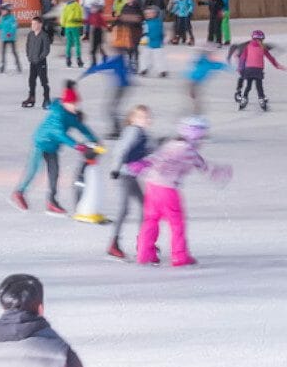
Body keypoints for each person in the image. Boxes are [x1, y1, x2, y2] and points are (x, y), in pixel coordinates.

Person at [127, 117, 230, 267]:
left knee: (150, 220)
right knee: (177, 224)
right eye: (201, 135)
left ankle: (145, 254)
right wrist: (219, 172)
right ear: (195, 134)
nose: (202, 139)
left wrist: (143, 164)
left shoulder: (171, 144)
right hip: (167, 189)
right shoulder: (188, 150)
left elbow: (157, 157)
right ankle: (180, 256)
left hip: (152, 185)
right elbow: (202, 165)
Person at [10, 84, 100, 215]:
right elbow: (60, 134)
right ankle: (19, 193)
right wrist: (77, 145)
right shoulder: (57, 114)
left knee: (54, 173)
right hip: (40, 143)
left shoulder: (71, 115)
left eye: (76, 104)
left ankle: (51, 201)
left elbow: (82, 128)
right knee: (34, 170)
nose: (75, 106)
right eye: (73, 103)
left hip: (52, 147)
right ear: (65, 103)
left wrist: (94, 140)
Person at [106, 105, 153, 261]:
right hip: (124, 175)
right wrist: (115, 169)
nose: (145, 120)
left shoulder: (142, 133)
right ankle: (114, 243)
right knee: (125, 209)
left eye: (146, 117)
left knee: (145, 207)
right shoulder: (133, 131)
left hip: (130, 175)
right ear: (132, 119)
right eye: (141, 117)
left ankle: (142, 241)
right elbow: (121, 149)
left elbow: (148, 151)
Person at [228, 29, 282, 111]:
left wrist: (240, 67)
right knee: (255, 84)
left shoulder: (254, 46)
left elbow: (242, 57)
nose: (262, 41)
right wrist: (277, 65)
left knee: (249, 85)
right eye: (261, 40)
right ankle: (254, 96)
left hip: (249, 67)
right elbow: (270, 57)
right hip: (252, 67)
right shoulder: (253, 47)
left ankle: (245, 97)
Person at [21, 16, 52, 109]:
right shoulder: (30, 34)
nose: (32, 25)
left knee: (44, 82)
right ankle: (31, 97)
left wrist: (40, 58)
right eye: (32, 23)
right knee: (31, 81)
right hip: (32, 62)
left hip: (41, 62)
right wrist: (29, 56)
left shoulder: (44, 35)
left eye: (34, 24)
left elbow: (46, 50)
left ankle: (47, 99)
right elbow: (27, 46)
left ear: (40, 25)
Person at [0, 3, 21, 74]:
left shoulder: (12, 18)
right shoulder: (2, 18)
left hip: (11, 38)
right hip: (4, 38)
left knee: (14, 52)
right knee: (3, 53)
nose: (2, 12)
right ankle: (2, 67)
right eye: (1, 10)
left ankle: (18, 66)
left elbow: (14, 26)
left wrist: (10, 33)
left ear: (8, 10)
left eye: (3, 10)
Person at [60, 0, 84, 68]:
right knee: (77, 43)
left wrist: (63, 27)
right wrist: (81, 27)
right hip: (76, 27)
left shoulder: (65, 7)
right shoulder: (78, 6)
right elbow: (80, 17)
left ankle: (68, 59)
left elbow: (63, 17)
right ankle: (79, 59)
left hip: (67, 27)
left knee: (69, 43)